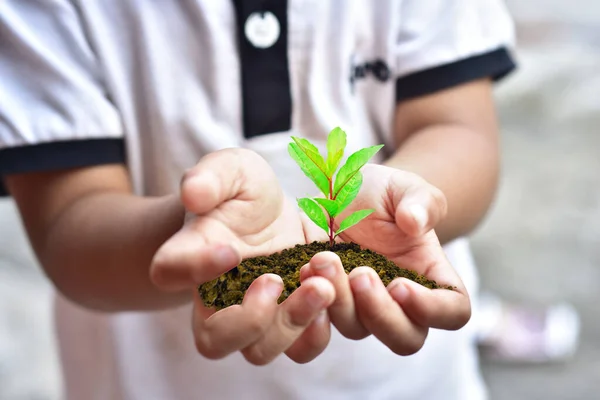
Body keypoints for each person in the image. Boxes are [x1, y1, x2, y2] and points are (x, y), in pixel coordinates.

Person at [0, 1, 516, 399]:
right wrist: (198, 236)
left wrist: (402, 207)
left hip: (409, 384)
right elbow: (70, 221)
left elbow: (459, 130)